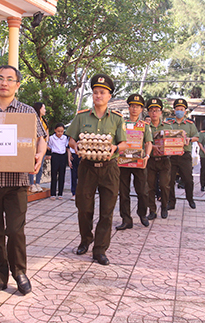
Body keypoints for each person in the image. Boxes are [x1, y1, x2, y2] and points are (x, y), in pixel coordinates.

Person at [0, 65, 47, 298]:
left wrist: (39, 154)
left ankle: (19, 273)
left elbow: (41, 139)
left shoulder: (27, 112)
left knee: (15, 230)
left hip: (16, 181)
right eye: (0, 78)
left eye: (9, 79)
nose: (4, 83)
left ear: (17, 84)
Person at [67, 73, 127, 266]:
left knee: (107, 210)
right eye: (95, 92)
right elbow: (71, 139)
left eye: (102, 93)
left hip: (109, 168)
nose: (98, 96)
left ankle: (100, 250)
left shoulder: (117, 119)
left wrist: (115, 148)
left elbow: (124, 143)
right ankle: (86, 239)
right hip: (87, 167)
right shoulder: (81, 116)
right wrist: (78, 147)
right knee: (84, 208)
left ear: (109, 96)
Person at [116, 94, 153, 230]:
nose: (134, 109)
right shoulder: (122, 124)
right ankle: (126, 219)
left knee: (143, 191)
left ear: (141, 109)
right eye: (132, 106)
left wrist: (147, 157)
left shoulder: (144, 126)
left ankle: (142, 213)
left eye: (137, 106)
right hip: (124, 162)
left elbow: (148, 143)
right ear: (129, 108)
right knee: (123, 192)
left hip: (139, 161)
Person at [167, 98, 199, 210]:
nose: (179, 111)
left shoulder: (190, 124)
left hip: (184, 155)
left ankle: (190, 199)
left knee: (188, 179)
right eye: (177, 109)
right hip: (171, 155)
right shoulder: (169, 123)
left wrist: (189, 139)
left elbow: (197, 137)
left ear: (185, 111)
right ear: (174, 111)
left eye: (182, 109)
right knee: (169, 180)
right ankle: (171, 201)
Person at [146, 98, 173, 220]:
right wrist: (152, 147)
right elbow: (139, 143)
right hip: (150, 161)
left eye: (156, 110)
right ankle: (152, 210)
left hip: (164, 161)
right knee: (150, 186)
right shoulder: (145, 127)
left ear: (161, 112)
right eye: (151, 110)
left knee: (164, 185)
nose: (154, 113)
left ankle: (164, 206)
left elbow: (174, 142)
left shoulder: (168, 127)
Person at [29, 102, 48, 193]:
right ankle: (31, 184)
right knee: (32, 166)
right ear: (39, 109)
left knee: (40, 166)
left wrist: (46, 143)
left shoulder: (44, 121)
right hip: (33, 146)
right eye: (43, 108)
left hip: (42, 146)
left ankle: (38, 183)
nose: (45, 110)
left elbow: (46, 134)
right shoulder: (32, 119)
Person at [48, 122, 69, 200]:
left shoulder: (65, 138)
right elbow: (49, 146)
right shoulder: (51, 138)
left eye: (62, 131)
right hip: (55, 156)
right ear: (55, 130)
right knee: (54, 175)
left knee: (62, 175)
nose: (60, 133)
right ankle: (52, 194)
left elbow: (66, 147)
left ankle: (60, 193)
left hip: (63, 156)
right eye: (58, 131)